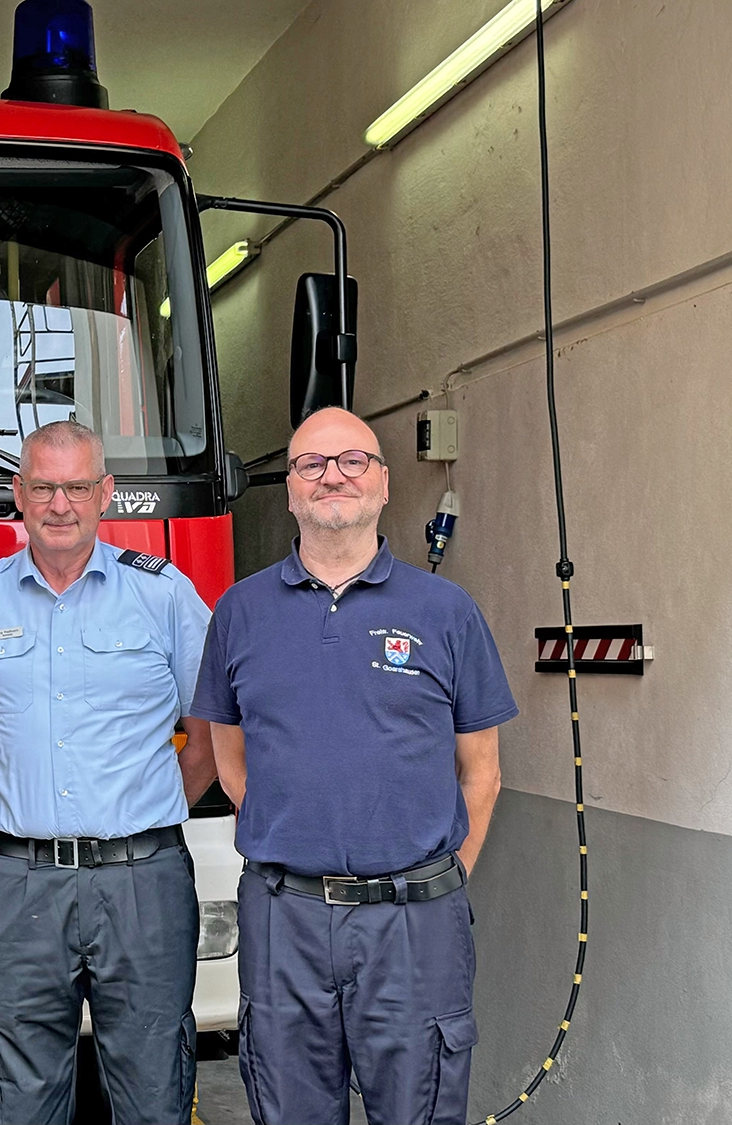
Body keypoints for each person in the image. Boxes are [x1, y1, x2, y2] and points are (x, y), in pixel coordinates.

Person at [194, 406, 515, 1125]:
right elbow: (230, 757)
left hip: (414, 925)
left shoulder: (446, 611)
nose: (332, 476)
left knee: (419, 1109)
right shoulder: (240, 612)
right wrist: (298, 842)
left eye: (352, 461)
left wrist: (439, 879)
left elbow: (483, 771)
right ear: (290, 489)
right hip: (287, 918)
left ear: (384, 483)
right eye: (311, 463)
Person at [0, 420, 217, 1125]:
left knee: (154, 1094)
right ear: (18, 495)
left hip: (141, 880)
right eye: (45, 487)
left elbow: (212, 734)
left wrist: (138, 812)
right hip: (18, 884)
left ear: (106, 494)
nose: (61, 504)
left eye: (78, 486)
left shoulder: (165, 594)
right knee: (21, 1100)